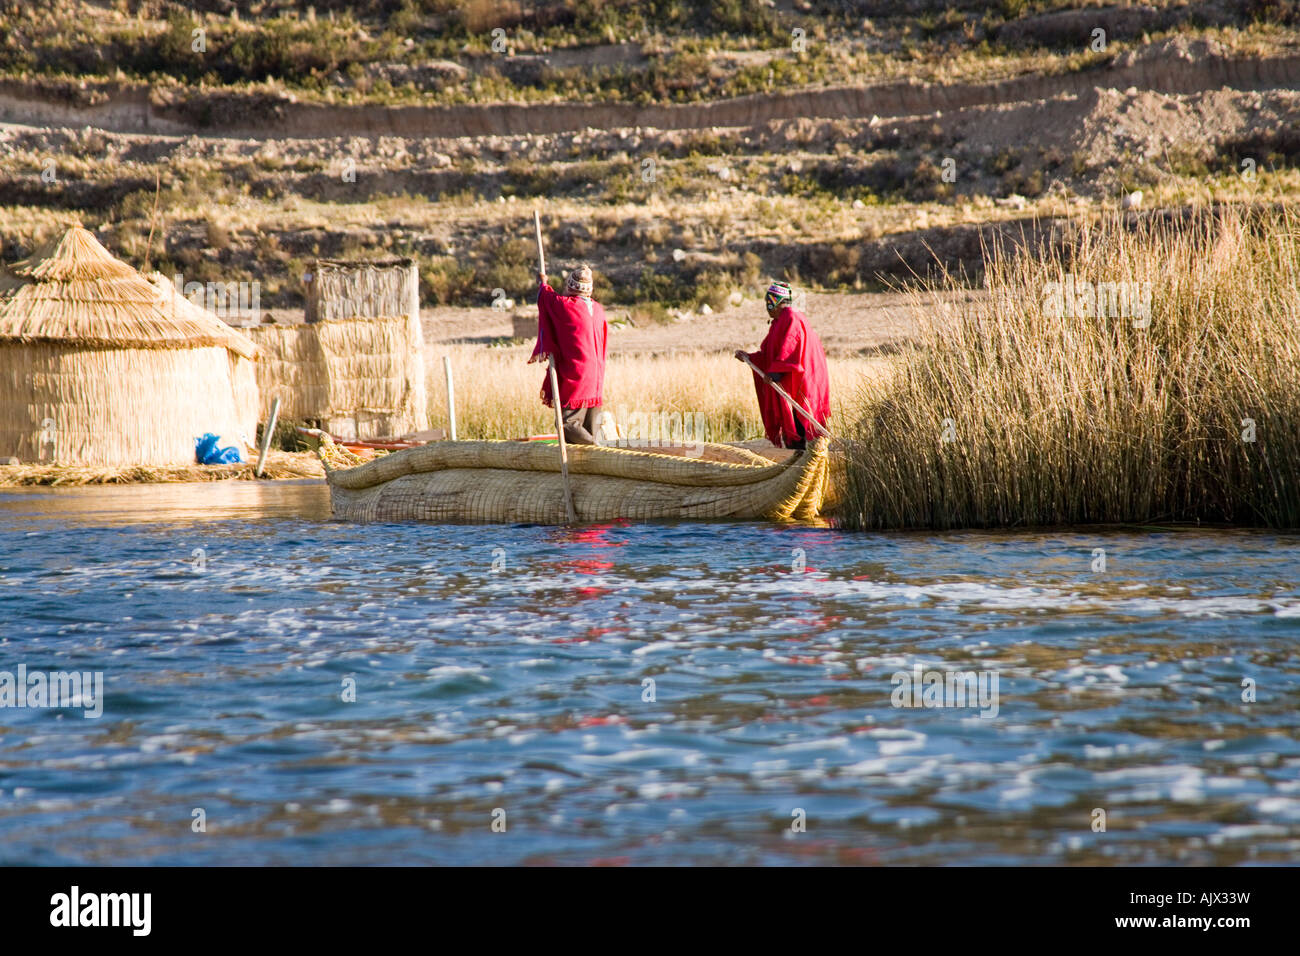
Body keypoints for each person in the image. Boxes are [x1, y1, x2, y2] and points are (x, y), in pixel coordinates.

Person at [735, 281, 830, 450]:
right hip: (792, 384)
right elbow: (769, 356)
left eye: (767, 303)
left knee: (802, 426)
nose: (767, 307)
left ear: (774, 302)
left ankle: (803, 467)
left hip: (801, 385)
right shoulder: (779, 322)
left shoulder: (791, 317)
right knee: (795, 432)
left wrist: (775, 374)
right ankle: (797, 463)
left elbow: (790, 350)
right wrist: (748, 357)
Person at [528, 263, 607, 445]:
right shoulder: (598, 310)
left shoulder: (567, 306)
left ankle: (597, 447)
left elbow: (546, 298)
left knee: (567, 424)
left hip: (578, 376)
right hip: (596, 378)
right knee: (590, 428)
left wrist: (543, 283)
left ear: (571, 287)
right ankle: (589, 466)